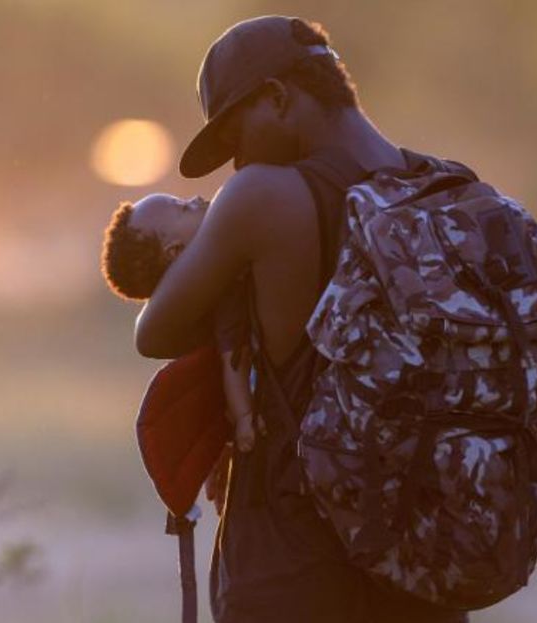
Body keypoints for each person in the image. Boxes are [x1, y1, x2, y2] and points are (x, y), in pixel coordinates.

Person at [133, 15, 469, 623]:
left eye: (236, 137)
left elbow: (152, 332)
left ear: (279, 98)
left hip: (294, 564)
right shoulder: (446, 190)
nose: (234, 164)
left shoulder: (264, 195)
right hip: (422, 555)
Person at [101, 193, 258, 453]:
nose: (196, 199)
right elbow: (233, 359)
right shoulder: (222, 290)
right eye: (184, 208)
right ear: (175, 250)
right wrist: (244, 418)